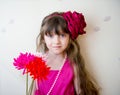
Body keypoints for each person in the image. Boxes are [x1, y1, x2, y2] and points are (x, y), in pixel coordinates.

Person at [33, 11, 99, 95]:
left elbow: (80, 92)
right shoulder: (37, 62)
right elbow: (35, 89)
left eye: (62, 35)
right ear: (43, 38)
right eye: (50, 36)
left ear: (69, 38)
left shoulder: (73, 66)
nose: (56, 41)